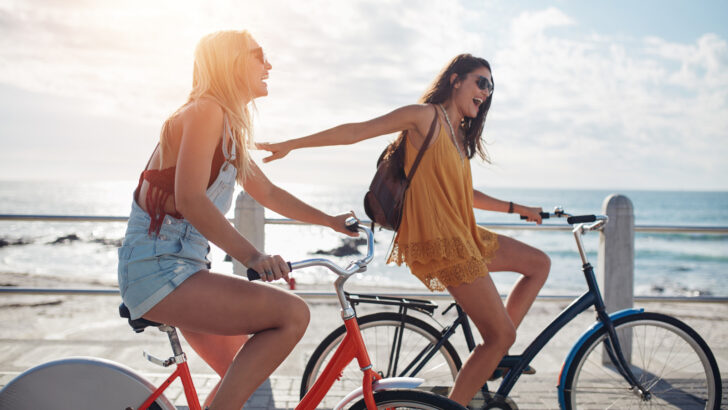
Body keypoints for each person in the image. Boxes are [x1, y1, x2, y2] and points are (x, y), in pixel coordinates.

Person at [259, 54, 551, 407]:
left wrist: (519, 210)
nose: (487, 92)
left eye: (491, 87)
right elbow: (356, 131)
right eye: (481, 82)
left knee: (539, 264)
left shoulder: (459, 135)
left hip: (467, 235)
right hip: (443, 243)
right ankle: (474, 376)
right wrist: (292, 144)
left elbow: (465, 194)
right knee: (500, 334)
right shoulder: (423, 117)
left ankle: (493, 353)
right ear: (456, 80)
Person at [117, 30, 356, 410]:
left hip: (182, 267)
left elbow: (269, 193)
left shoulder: (228, 124)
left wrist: (329, 220)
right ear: (231, 62)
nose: (269, 64)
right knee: (292, 315)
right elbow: (191, 199)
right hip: (159, 270)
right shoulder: (206, 110)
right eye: (259, 55)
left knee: (241, 378)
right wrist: (254, 257)